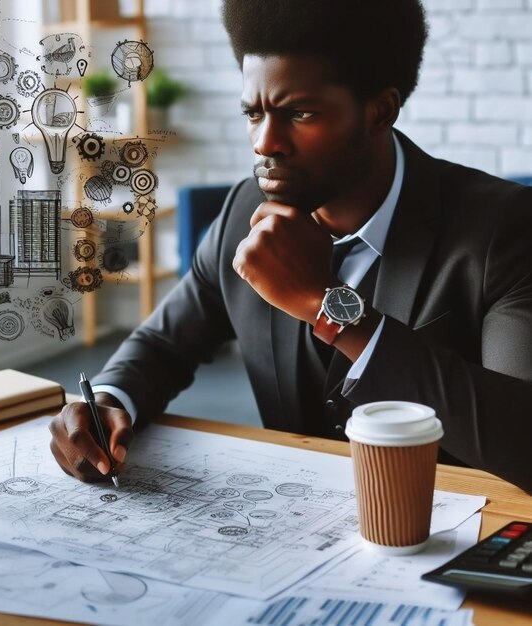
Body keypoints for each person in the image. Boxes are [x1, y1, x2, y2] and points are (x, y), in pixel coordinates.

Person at [50, 0, 532, 493]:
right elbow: (163, 344)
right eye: (252, 112)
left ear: (380, 110)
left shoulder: (504, 229)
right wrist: (108, 400)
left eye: (299, 112)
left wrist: (331, 307)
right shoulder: (243, 212)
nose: (264, 142)